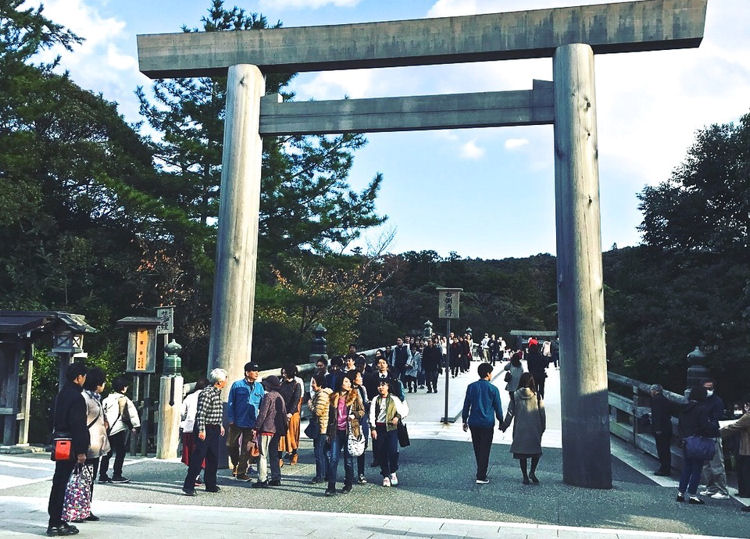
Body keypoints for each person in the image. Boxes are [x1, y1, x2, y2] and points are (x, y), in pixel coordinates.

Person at [47, 363, 89, 537]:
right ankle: (56, 523)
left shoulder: (61, 394)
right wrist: (81, 451)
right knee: (63, 483)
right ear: (78, 377)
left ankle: (55, 519)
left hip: (59, 441)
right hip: (70, 444)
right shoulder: (77, 397)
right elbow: (78, 425)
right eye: (83, 377)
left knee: (59, 482)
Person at [182, 368, 227, 496]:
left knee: (213, 457)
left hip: (214, 427)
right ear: (219, 382)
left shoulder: (217, 392)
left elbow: (216, 412)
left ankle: (210, 483)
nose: (225, 382)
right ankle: (188, 485)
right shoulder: (207, 393)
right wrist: (201, 430)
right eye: (224, 380)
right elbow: (201, 413)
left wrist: (220, 425)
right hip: (205, 427)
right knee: (198, 457)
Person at [461, 362, 503, 484]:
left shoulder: (471, 387)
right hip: (487, 423)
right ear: (488, 374)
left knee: (477, 447)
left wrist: (464, 419)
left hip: (474, 422)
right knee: (485, 448)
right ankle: (481, 475)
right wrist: (501, 421)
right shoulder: (493, 389)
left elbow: (466, 405)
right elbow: (498, 408)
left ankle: (480, 469)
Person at [501, 372, 546, 485]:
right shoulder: (537, 395)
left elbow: (510, 413)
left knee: (522, 454)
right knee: (536, 451)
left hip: (520, 428)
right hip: (534, 428)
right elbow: (542, 413)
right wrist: (542, 427)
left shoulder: (515, 395)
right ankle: (532, 472)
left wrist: (505, 425)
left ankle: (525, 476)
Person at [78, 367, 109, 523]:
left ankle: (85, 508)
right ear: (97, 383)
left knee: (89, 479)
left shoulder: (96, 398)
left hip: (96, 444)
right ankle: (78, 508)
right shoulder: (84, 398)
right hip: (87, 444)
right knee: (82, 478)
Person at [325, 374, 364, 496]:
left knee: (348, 460)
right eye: (346, 381)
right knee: (333, 459)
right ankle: (331, 487)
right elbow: (330, 417)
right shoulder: (333, 397)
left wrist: (354, 415)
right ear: (340, 383)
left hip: (349, 431)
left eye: (349, 382)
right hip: (336, 431)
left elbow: (362, 411)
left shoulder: (354, 395)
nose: (348, 384)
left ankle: (348, 484)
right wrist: (327, 433)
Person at [226, 362, 264, 481]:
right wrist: (231, 418)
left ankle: (241, 472)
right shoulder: (237, 385)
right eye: (254, 371)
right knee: (231, 444)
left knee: (247, 449)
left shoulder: (259, 387)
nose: (257, 373)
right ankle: (235, 464)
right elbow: (231, 402)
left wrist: (260, 423)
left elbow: (262, 405)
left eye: (258, 371)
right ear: (247, 372)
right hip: (237, 420)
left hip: (251, 422)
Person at [677, 385, 713, 504]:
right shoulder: (702, 409)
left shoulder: (684, 408)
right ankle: (692, 494)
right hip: (697, 440)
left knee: (687, 467)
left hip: (686, 440)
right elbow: (704, 426)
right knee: (697, 469)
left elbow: (680, 424)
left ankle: (680, 493)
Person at [100, 376, 140, 484]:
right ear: (123, 388)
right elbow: (129, 415)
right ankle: (117, 474)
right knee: (120, 452)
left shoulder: (106, 400)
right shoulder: (124, 399)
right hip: (118, 428)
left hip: (107, 429)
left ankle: (102, 475)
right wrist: (134, 427)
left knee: (107, 453)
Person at [369, 379, 409, 487]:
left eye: (383, 385)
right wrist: (372, 428)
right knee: (381, 452)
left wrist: (397, 417)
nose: (381, 388)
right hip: (379, 428)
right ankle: (385, 475)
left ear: (388, 386)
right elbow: (372, 414)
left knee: (392, 451)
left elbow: (404, 410)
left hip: (392, 428)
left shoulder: (394, 399)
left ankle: (393, 472)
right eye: (379, 385)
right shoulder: (375, 399)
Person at [251, 375, 288, 488]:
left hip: (267, 429)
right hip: (276, 430)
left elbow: (262, 414)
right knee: (274, 455)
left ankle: (262, 479)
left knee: (262, 455)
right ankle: (276, 477)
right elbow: (284, 415)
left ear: (269, 385)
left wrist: (256, 427)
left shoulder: (268, 397)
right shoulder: (280, 397)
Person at [699, 378, 729, 499]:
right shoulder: (702, 400)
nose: (708, 390)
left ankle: (722, 490)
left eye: (710, 388)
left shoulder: (717, 401)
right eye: (706, 388)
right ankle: (711, 487)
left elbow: (718, 419)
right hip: (704, 435)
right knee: (706, 465)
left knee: (717, 465)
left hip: (714, 435)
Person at [180, 377, 209, 485]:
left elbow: (182, 412)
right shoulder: (207, 396)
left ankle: (193, 475)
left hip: (188, 427)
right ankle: (195, 476)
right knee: (201, 454)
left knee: (191, 454)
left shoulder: (189, 397)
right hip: (202, 429)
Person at [720, 396, 750, 499]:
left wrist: (718, 432)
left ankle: (745, 492)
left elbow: (733, 427)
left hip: (746, 448)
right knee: (742, 470)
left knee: (745, 471)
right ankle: (743, 491)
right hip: (743, 447)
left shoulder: (747, 416)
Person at [308, 373, 332, 483]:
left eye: (314, 382)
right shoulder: (322, 393)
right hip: (323, 426)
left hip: (321, 427)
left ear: (320, 384)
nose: (312, 385)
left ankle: (320, 476)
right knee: (323, 452)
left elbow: (318, 411)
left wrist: (310, 405)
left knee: (319, 452)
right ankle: (326, 474)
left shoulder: (322, 395)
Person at [348, 369, 370, 484]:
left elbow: (365, 403)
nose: (361, 378)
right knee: (350, 447)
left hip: (362, 420)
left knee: (362, 447)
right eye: (359, 377)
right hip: (351, 422)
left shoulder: (362, 389)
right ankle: (350, 474)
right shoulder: (349, 391)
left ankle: (361, 473)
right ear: (353, 379)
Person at [278, 364, 302, 465]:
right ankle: (279, 458)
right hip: (282, 412)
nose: (283, 374)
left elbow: (296, 400)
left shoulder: (297, 385)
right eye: (282, 372)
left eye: (285, 372)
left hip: (293, 414)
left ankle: (294, 453)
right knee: (280, 437)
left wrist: (290, 413)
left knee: (292, 436)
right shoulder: (281, 383)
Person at [649, 384, 673, 476]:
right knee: (666, 449)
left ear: (655, 391)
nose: (651, 392)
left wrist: (657, 428)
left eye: (651, 390)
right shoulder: (665, 399)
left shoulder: (656, 400)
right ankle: (666, 467)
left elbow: (658, 415)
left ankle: (664, 469)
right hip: (667, 426)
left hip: (661, 428)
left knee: (662, 449)